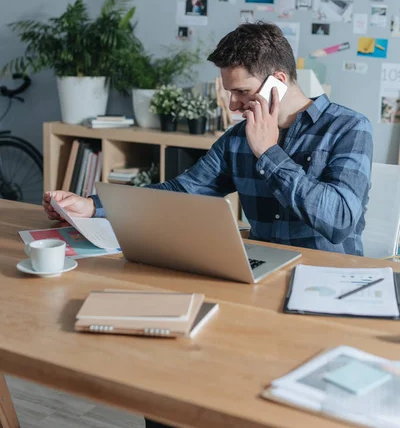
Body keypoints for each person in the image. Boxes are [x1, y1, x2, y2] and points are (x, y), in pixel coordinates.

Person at [43, 21, 373, 428]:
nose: (233, 105)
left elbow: (339, 220)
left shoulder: (348, 127)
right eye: (228, 92)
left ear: (279, 81)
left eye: (242, 92)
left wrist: (269, 152)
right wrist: (92, 206)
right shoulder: (237, 140)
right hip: (257, 285)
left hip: (328, 294)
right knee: (169, 381)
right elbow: (183, 191)